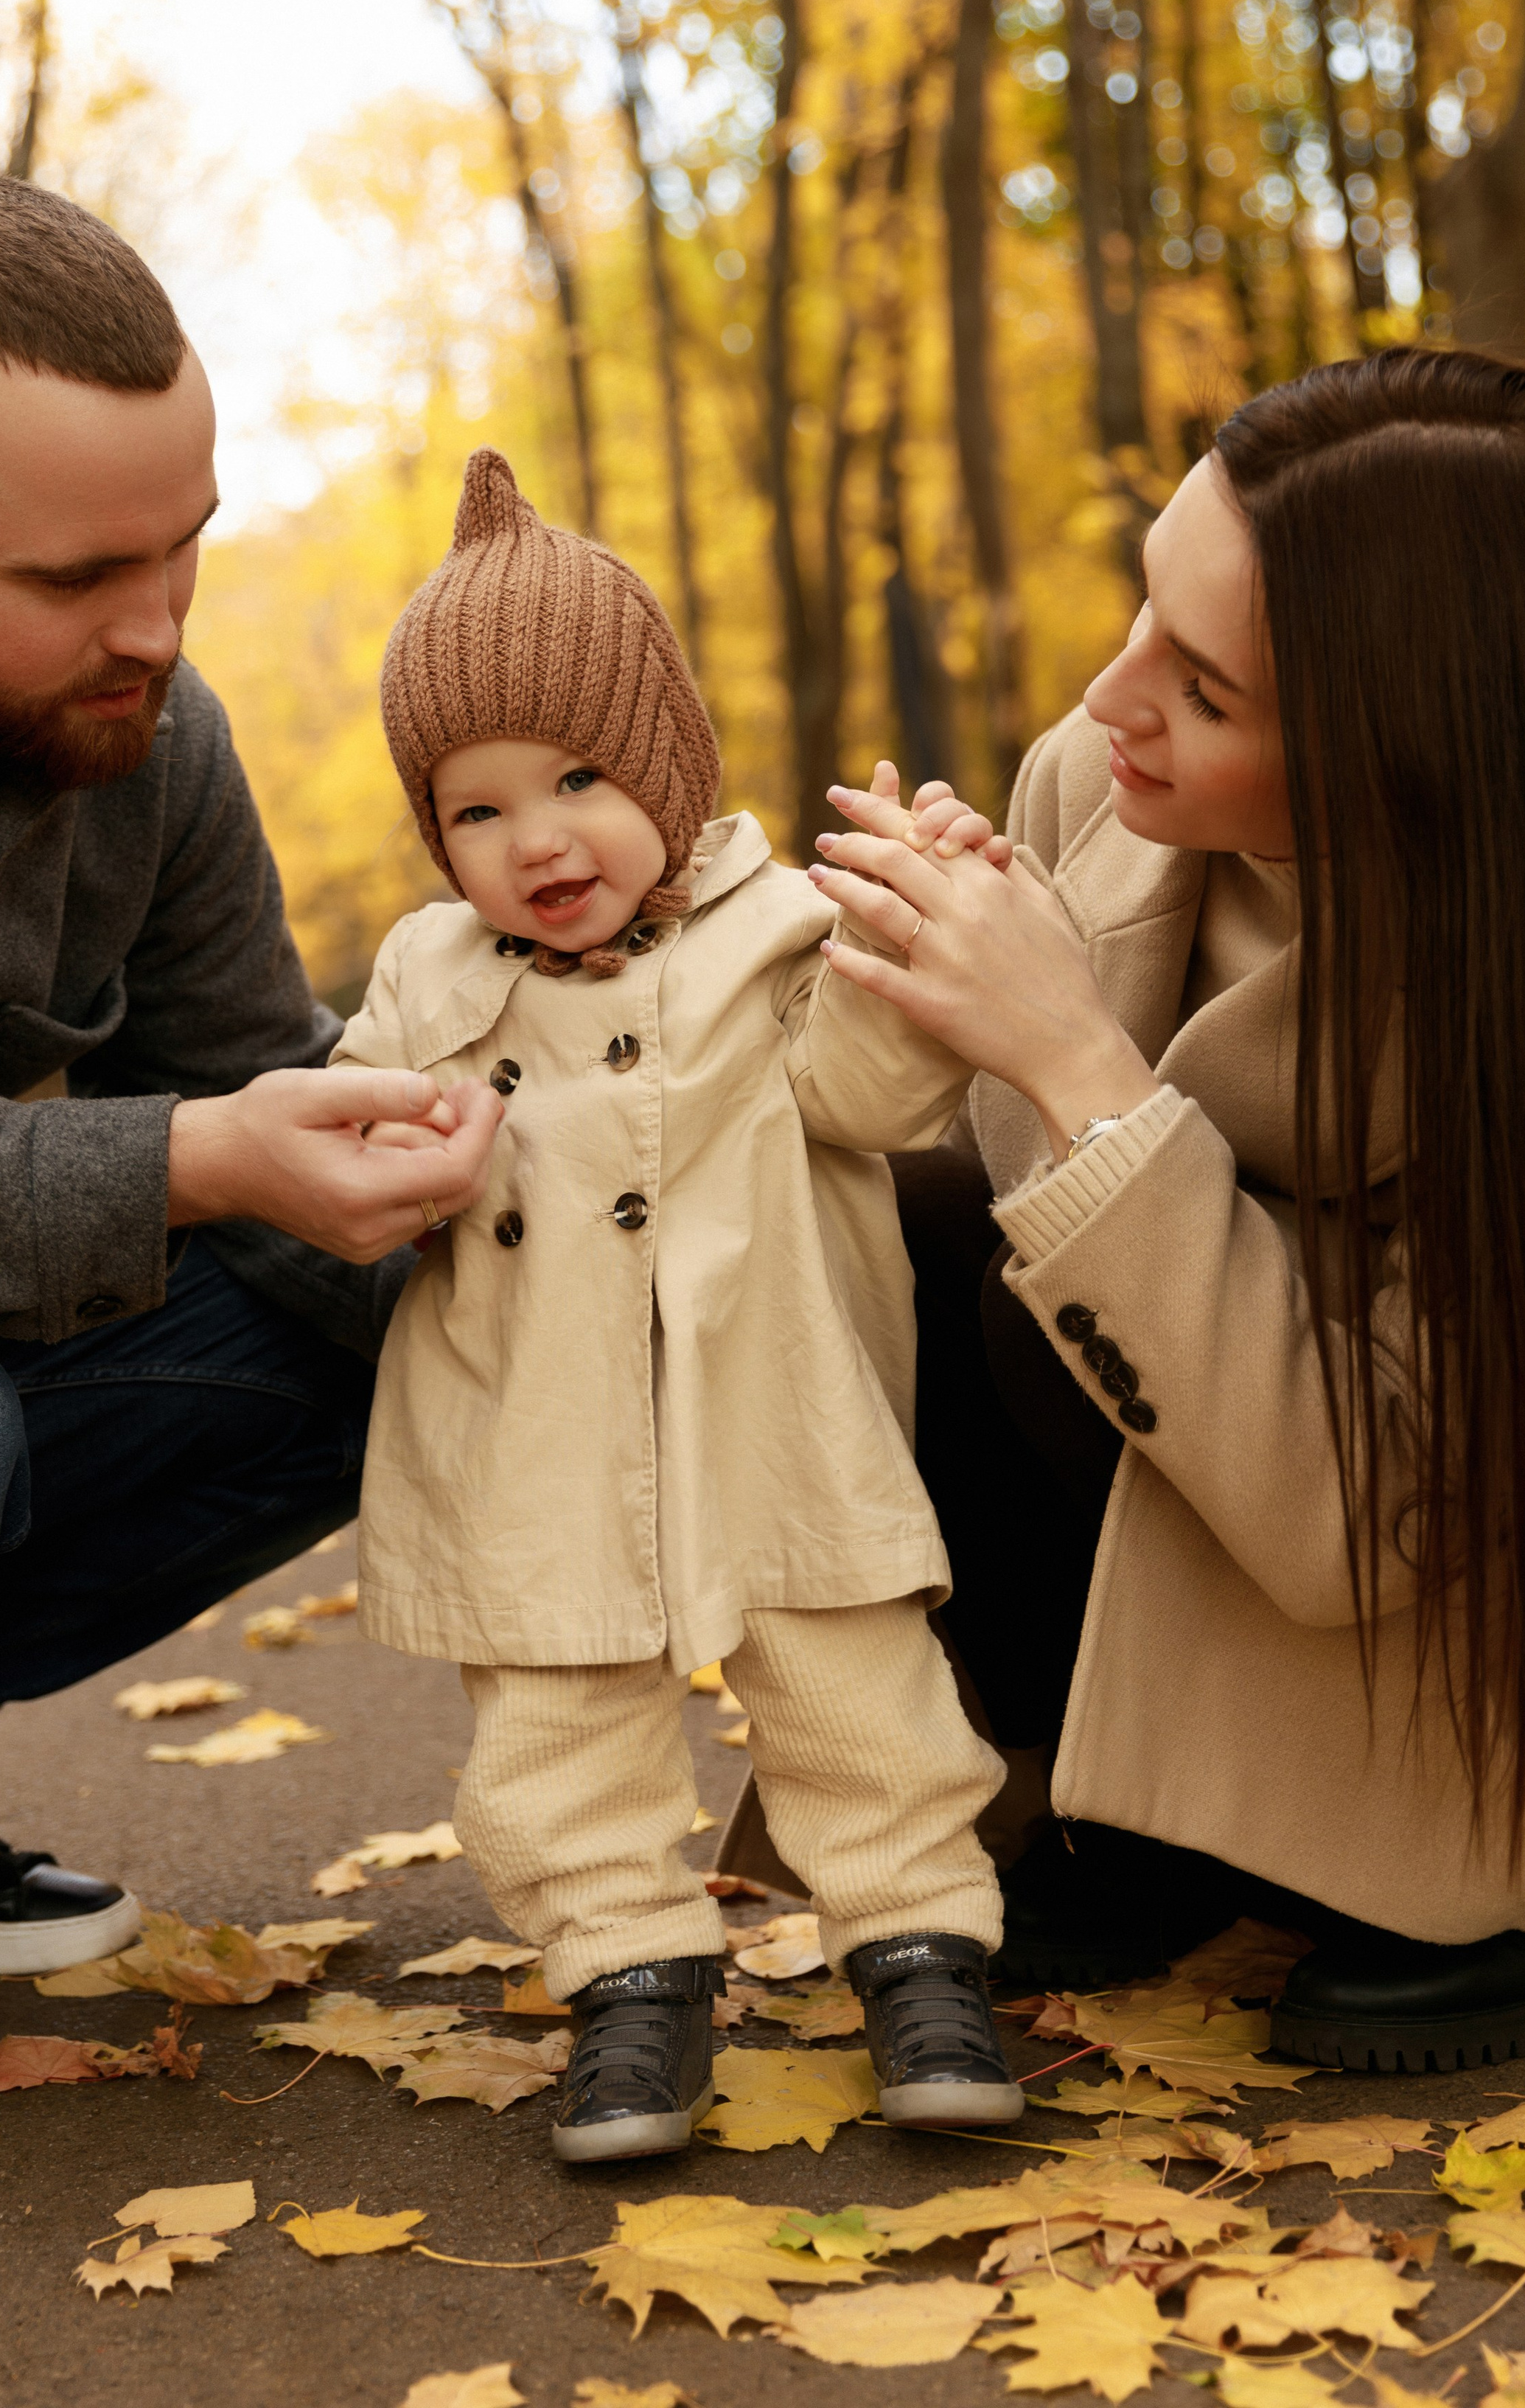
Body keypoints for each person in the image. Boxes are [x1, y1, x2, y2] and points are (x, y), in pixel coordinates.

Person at [0, 177, 503, 2157]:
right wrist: (194, 1158)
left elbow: (254, 1102)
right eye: (74, 578)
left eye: (187, 548)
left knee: (403, 1283)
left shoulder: (154, 727)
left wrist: (482, 1153)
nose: (153, 630)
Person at [809, 343, 1525, 2075]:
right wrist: (893, 997)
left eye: (1206, 692)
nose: (1107, 697)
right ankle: (1125, 1802)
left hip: (1469, 1592)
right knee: (899, 1240)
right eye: (1140, 608)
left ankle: (1459, 1864)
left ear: (1410, 767)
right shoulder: (1096, 787)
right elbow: (1031, 1259)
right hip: (1206, 1442)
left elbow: (1373, 1519)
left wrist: (1073, 1053)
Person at [329, 445, 1022, 2162]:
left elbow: (869, 1097)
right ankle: (630, 1982)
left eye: (575, 778)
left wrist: (917, 948)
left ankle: (919, 1950)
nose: (533, 839)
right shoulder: (427, 974)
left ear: (663, 765)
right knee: (560, 1731)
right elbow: (348, 1136)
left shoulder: (776, 929)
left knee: (856, 1684)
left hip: (776, 1393)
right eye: (476, 809)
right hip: (536, 1419)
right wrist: (381, 1161)